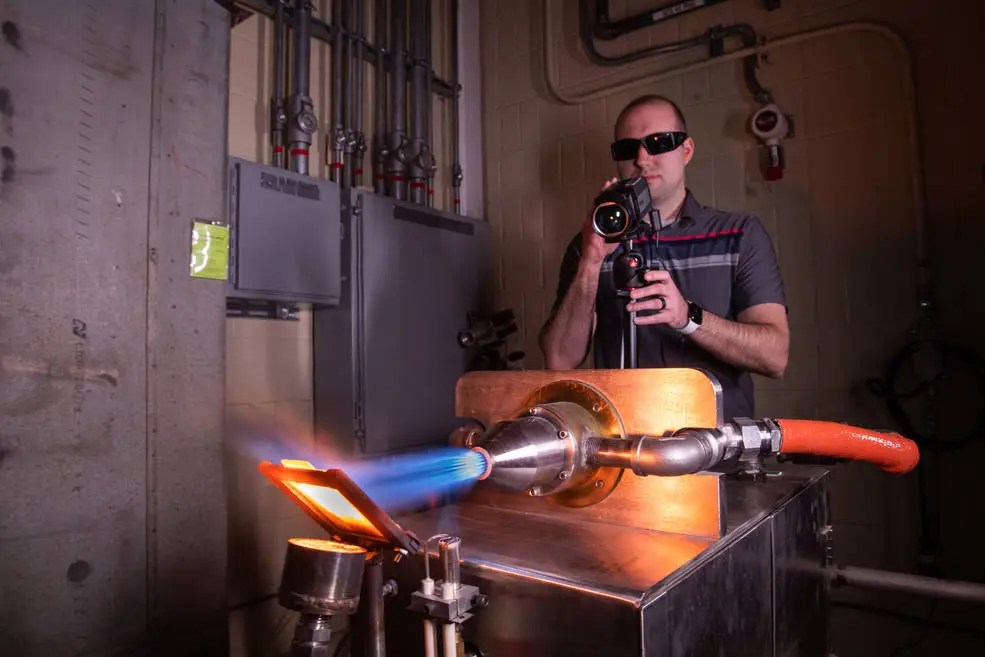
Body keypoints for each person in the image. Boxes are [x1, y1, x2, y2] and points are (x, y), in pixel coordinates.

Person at [539, 94, 789, 419]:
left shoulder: (739, 234)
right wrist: (590, 261)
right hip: (622, 453)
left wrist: (688, 318)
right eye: (628, 148)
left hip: (714, 456)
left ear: (686, 150)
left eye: (658, 142)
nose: (642, 159)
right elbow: (559, 359)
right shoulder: (591, 244)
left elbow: (775, 357)